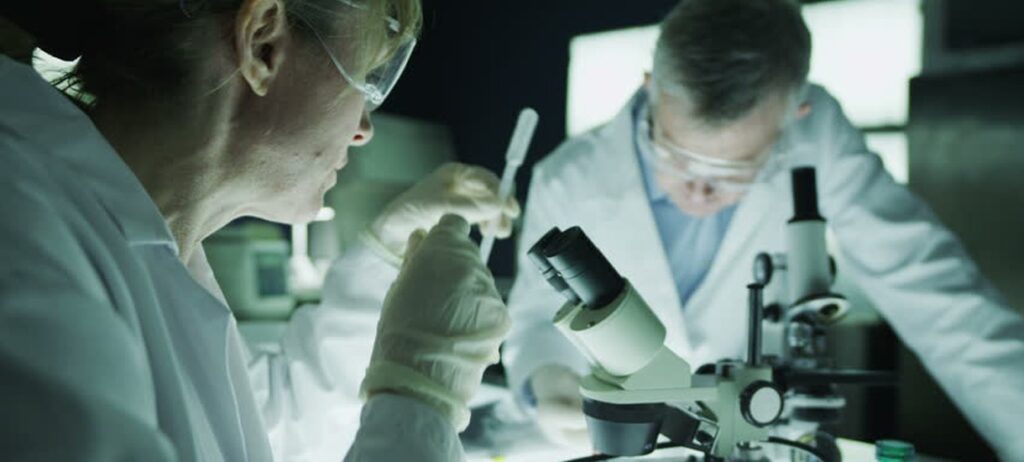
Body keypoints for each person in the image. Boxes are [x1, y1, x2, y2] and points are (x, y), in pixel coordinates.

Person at [502, 0, 1024, 459]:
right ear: (650, 87)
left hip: (760, 436)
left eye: (731, 171)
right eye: (676, 157)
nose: (699, 192)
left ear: (794, 116)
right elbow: (535, 317)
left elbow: (938, 296)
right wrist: (546, 381)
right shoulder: (568, 175)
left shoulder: (817, 136)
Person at [0, 0, 520, 460]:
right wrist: (419, 400)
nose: (364, 129)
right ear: (262, 43)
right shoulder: (23, 240)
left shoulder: (144, 243)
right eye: (367, 77)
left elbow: (273, 432)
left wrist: (385, 259)